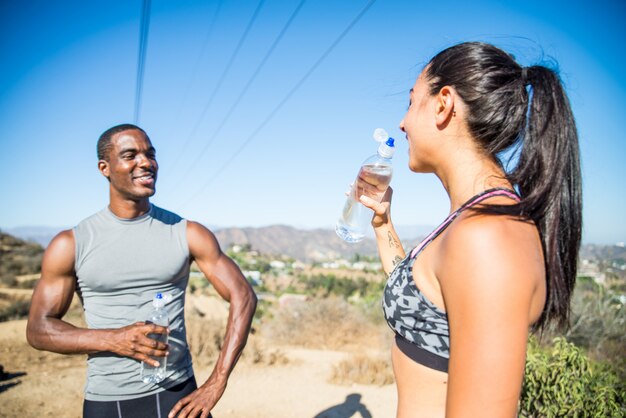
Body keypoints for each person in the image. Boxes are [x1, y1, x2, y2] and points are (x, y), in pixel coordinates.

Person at [359, 42, 582, 417]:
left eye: (411, 102)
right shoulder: (467, 220)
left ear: (444, 104)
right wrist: (383, 224)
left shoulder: (487, 236)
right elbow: (422, 296)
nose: (403, 122)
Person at [26, 124, 257, 418]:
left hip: (180, 396)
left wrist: (217, 382)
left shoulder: (186, 233)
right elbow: (38, 330)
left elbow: (244, 295)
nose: (146, 162)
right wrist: (113, 339)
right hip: (109, 401)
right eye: (130, 155)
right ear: (104, 167)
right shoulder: (71, 243)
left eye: (150, 154)